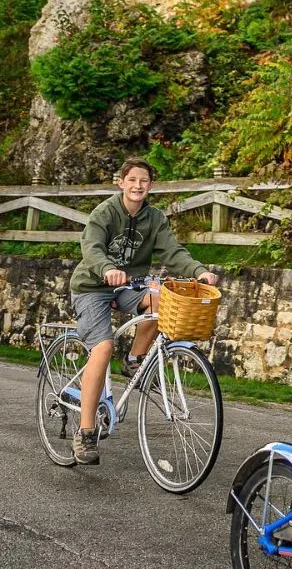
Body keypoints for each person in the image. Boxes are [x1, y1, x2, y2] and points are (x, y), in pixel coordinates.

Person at [68, 157, 218, 466]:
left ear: (151, 186)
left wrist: (199, 271)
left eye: (144, 181)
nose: (138, 185)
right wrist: (107, 268)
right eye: (132, 180)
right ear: (121, 182)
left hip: (128, 285)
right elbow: (92, 248)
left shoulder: (154, 218)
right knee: (103, 347)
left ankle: (135, 359)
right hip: (92, 286)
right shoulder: (105, 213)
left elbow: (173, 252)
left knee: (162, 300)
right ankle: (85, 432)